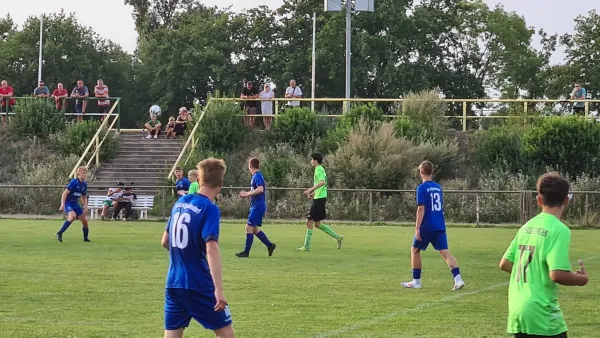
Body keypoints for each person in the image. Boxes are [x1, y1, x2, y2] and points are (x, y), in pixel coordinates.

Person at [499, 172, 588, 338]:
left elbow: (504, 263)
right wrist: (581, 279)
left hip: (517, 310)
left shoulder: (526, 227)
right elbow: (557, 274)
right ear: (566, 200)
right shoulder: (559, 229)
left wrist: (533, 275)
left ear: (539, 200)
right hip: (541, 313)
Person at [161, 158, 234, 338]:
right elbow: (211, 248)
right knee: (226, 334)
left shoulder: (180, 203)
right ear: (221, 183)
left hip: (174, 282)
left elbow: (165, 241)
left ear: (199, 180)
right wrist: (219, 289)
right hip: (198, 283)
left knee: (172, 333)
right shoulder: (209, 208)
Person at [401, 160, 465, 291]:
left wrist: (417, 228)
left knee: (415, 250)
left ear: (421, 172)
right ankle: (458, 279)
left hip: (427, 225)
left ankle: (416, 281)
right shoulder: (438, 187)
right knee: (445, 252)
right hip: (439, 224)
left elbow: (421, 209)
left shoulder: (421, 188)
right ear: (432, 172)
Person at [296, 153, 343, 251]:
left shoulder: (318, 169)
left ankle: (307, 246)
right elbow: (321, 185)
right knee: (317, 224)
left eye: (312, 159)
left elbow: (322, 182)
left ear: (316, 160)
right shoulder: (321, 169)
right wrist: (313, 193)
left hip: (320, 199)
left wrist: (310, 190)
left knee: (309, 221)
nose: (311, 161)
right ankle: (338, 237)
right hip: (320, 197)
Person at [235, 158, 276, 258]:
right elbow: (256, 189)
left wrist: (247, 193)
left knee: (248, 227)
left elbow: (260, 189)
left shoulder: (257, 176)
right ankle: (270, 245)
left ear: (250, 166)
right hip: (256, 206)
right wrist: (247, 194)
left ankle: (246, 252)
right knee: (254, 230)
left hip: (258, 207)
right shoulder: (257, 176)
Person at [56, 166, 91, 242]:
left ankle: (85, 239)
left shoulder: (84, 184)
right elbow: (64, 194)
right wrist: (62, 204)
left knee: (84, 221)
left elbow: (83, 197)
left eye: (86, 173)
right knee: (73, 216)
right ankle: (59, 233)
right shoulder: (73, 182)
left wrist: (85, 207)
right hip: (68, 203)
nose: (85, 175)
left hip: (75, 204)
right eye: (83, 173)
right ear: (79, 173)